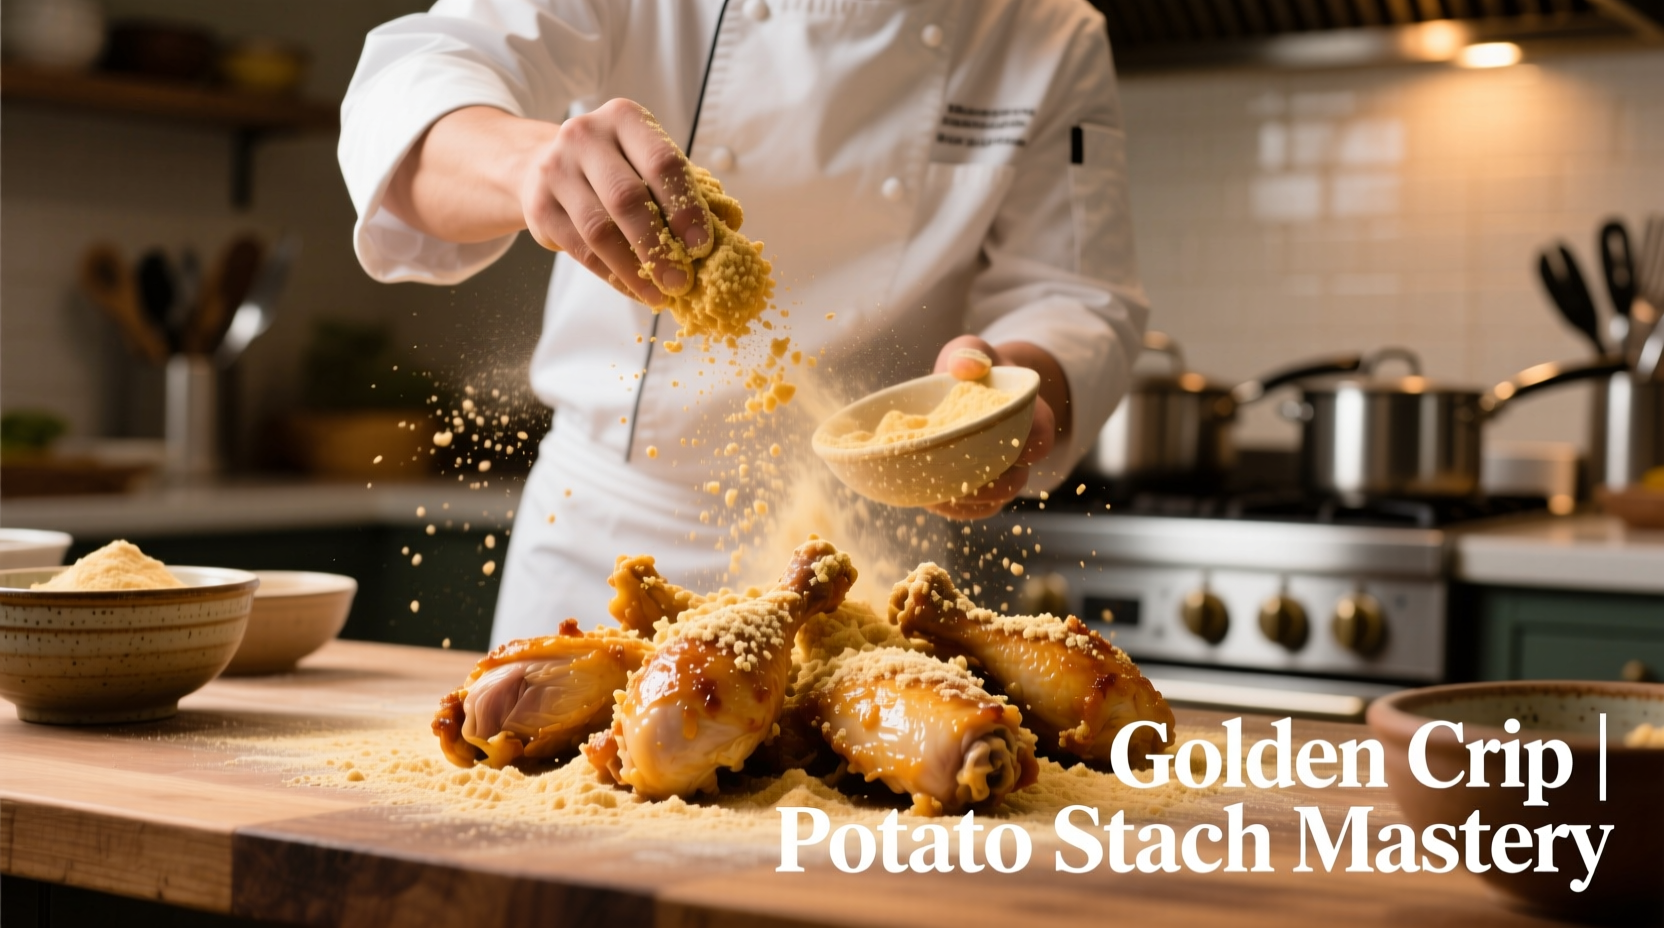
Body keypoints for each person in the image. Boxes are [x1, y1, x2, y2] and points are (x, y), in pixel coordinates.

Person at [339, 0, 1148, 644]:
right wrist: (529, 164)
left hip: (862, 563)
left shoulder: (1047, 27)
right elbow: (410, 90)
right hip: (605, 553)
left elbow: (1076, 296)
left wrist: (1003, 397)